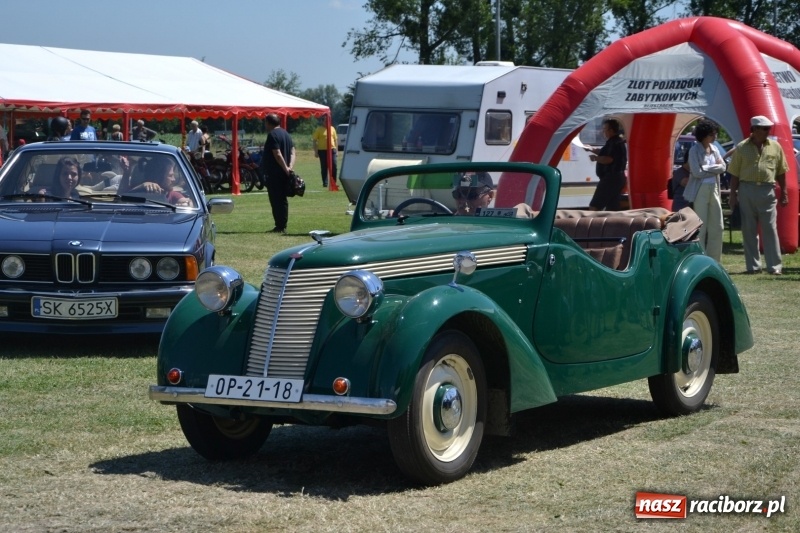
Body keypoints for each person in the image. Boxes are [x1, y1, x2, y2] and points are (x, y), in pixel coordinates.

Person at [728, 115, 790, 275]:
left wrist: (784, 192)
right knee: (748, 229)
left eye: (768, 128)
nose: (767, 131)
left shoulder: (775, 147)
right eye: (764, 129)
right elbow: (734, 173)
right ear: (754, 130)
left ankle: (774, 266)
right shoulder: (741, 147)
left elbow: (782, 171)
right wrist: (733, 195)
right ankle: (753, 266)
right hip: (746, 189)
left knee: (770, 229)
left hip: (767, 190)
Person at [685, 119, 725, 262]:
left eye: (715, 134)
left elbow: (724, 167)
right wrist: (715, 169)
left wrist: (707, 168)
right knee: (701, 227)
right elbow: (696, 172)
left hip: (714, 188)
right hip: (700, 190)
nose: (715, 137)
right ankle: (701, 260)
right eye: (712, 134)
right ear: (704, 135)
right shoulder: (694, 150)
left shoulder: (714, 149)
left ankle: (715, 261)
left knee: (718, 227)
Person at [261, 113, 295, 233]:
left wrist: (285, 168)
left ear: (269, 123)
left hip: (275, 173)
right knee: (283, 200)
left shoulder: (272, 135)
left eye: (265, 123)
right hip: (284, 172)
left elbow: (277, 153)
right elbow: (292, 151)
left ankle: (280, 226)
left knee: (276, 200)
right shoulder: (286, 133)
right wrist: (290, 167)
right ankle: (282, 224)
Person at [586, 118, 627, 211]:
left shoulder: (613, 142)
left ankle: (592, 224)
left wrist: (595, 158)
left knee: (595, 206)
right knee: (612, 207)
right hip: (617, 178)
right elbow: (606, 153)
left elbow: (608, 159)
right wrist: (591, 149)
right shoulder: (617, 141)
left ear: (611, 130)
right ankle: (613, 224)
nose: (603, 132)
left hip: (610, 179)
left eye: (604, 129)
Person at [119, 156, 193, 207]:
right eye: (170, 176)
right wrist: (142, 186)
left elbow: (185, 202)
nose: (174, 179)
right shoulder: (135, 191)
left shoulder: (172, 195)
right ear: (158, 177)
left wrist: (187, 203)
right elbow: (119, 199)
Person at [311, 118, 338, 187]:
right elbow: (314, 140)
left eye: (328, 121)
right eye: (325, 121)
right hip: (322, 150)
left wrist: (336, 150)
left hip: (332, 149)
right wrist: (316, 151)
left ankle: (333, 182)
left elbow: (335, 140)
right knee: (324, 167)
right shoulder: (319, 129)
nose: (326, 122)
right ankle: (325, 183)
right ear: (322, 122)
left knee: (334, 166)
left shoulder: (332, 129)